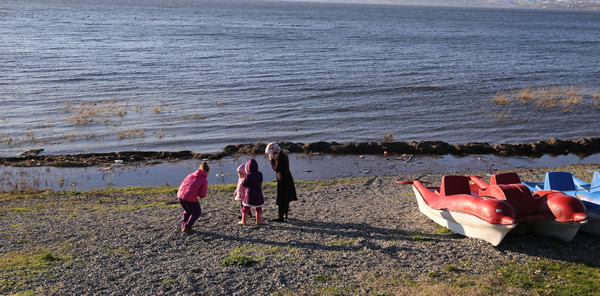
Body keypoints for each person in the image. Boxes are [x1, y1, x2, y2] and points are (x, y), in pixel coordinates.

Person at [265, 142, 297, 222]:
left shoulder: (279, 158)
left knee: (281, 198)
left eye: (271, 152)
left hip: (283, 180)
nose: (270, 154)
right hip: (287, 177)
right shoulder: (283, 155)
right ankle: (285, 215)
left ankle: (281, 217)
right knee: (286, 198)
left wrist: (271, 160)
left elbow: (276, 169)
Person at [177, 161, 209, 233]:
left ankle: (183, 225)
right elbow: (202, 195)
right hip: (189, 197)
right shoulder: (204, 180)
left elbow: (184, 184)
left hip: (180, 195)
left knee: (187, 211)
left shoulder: (190, 175)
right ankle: (187, 227)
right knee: (196, 212)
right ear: (207, 171)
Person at [239, 159, 264, 225]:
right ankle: (258, 221)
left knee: (246, 207)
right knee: (258, 207)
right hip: (258, 193)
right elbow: (261, 181)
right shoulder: (260, 174)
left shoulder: (248, 175)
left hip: (249, 194)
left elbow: (244, 184)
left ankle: (243, 221)